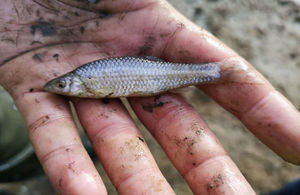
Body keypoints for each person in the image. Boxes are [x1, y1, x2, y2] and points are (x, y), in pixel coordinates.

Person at [0, 0, 299, 194]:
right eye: (65, 87)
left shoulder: (87, 79)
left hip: (157, 78)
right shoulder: (85, 79)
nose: (63, 90)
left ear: (77, 83)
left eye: (65, 86)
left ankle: (215, 72)